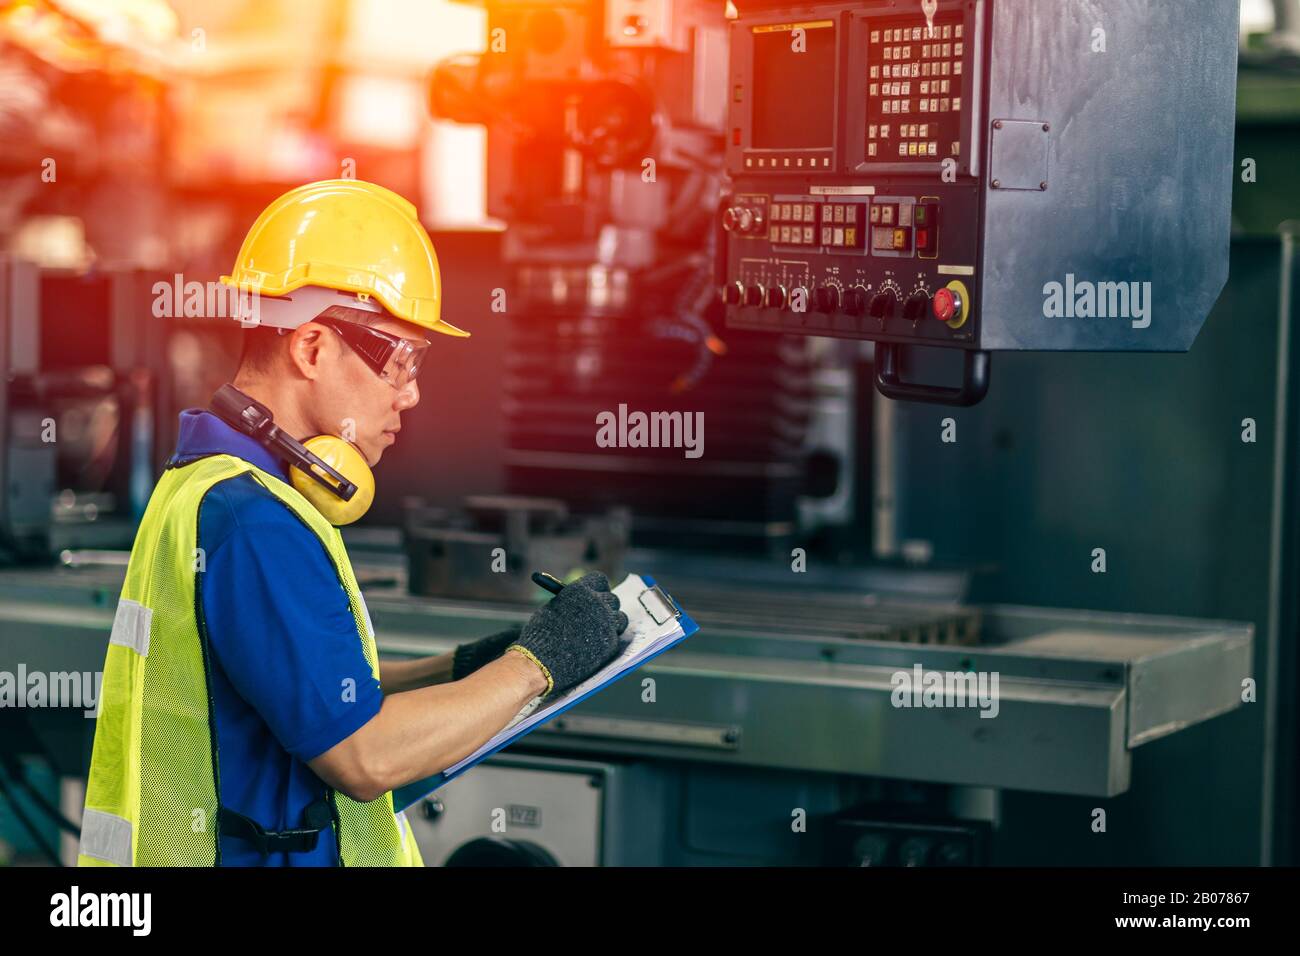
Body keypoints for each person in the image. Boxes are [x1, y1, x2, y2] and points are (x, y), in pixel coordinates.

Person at [77, 179, 627, 866]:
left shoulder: (210, 480)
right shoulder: (255, 519)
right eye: (402, 360)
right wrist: (534, 668)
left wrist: (462, 669)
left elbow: (311, 684)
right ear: (311, 348)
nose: (414, 392)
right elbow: (363, 756)